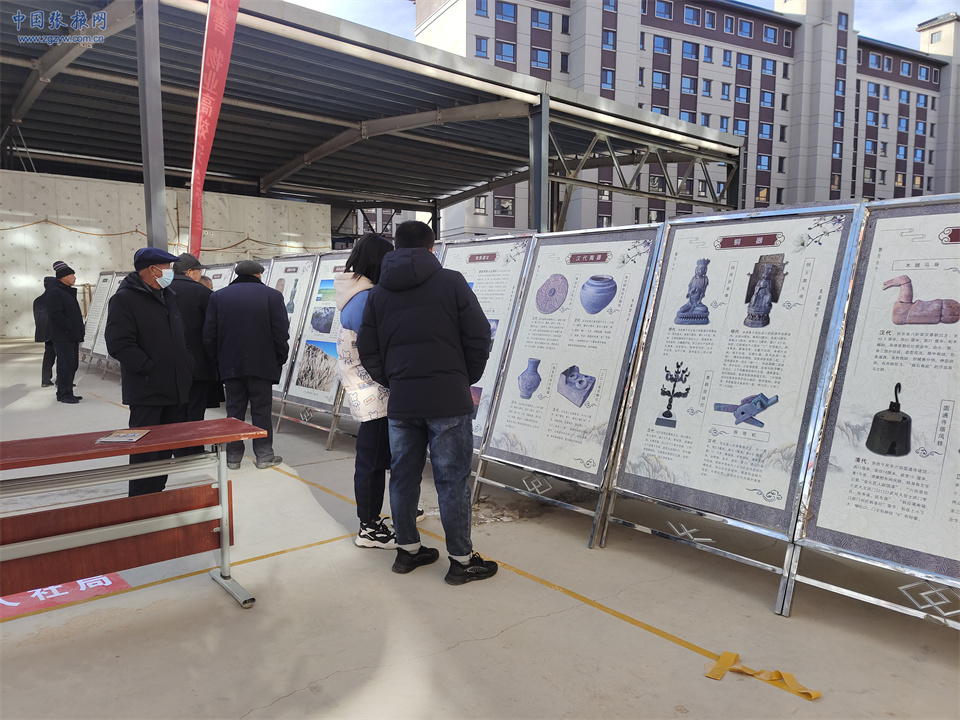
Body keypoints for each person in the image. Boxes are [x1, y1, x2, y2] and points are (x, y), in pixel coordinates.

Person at [357, 220, 497, 585]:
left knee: (403, 477)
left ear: (396, 249)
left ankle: (407, 551)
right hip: (448, 399)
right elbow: (479, 334)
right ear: (433, 248)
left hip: (403, 402)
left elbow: (367, 349)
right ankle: (461, 561)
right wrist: (465, 376)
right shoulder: (452, 282)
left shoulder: (378, 294)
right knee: (452, 481)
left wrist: (394, 379)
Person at [105, 247, 194, 496]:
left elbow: (181, 337)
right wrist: (148, 368)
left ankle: (157, 496)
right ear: (152, 270)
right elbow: (119, 343)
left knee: (165, 449)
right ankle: (141, 501)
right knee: (145, 451)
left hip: (175, 389)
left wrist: (187, 363)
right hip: (147, 390)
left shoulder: (169, 296)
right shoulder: (125, 299)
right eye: (166, 268)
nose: (170, 272)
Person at [335, 233, 397, 549]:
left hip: (364, 387)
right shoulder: (367, 298)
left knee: (377, 454)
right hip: (374, 390)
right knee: (372, 460)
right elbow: (379, 347)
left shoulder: (353, 291)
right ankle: (369, 527)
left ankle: (388, 512)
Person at [203, 259, 289, 470]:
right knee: (262, 410)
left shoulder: (218, 296)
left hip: (230, 364)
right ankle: (264, 455)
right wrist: (280, 358)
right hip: (263, 364)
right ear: (259, 275)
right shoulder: (272, 296)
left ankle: (233, 457)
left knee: (234, 411)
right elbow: (280, 332)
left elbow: (209, 334)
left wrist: (217, 360)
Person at [171, 253, 221, 455]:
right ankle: (193, 449)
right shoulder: (202, 293)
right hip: (198, 362)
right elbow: (212, 329)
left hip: (170, 364)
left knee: (176, 409)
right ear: (190, 272)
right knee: (195, 408)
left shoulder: (161, 289)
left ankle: (177, 448)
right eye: (199, 271)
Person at [39, 261, 85, 403]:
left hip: (72, 335)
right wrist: (69, 327)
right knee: (65, 365)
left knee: (72, 365)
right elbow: (56, 314)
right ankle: (64, 394)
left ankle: (66, 392)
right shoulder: (56, 292)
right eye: (72, 275)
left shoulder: (66, 292)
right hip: (64, 336)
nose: (75, 278)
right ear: (64, 276)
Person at [33, 278, 56, 388]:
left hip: (45, 333)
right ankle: (61, 380)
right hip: (56, 332)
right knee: (62, 357)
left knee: (48, 356)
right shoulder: (55, 299)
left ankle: (45, 380)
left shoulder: (38, 300)